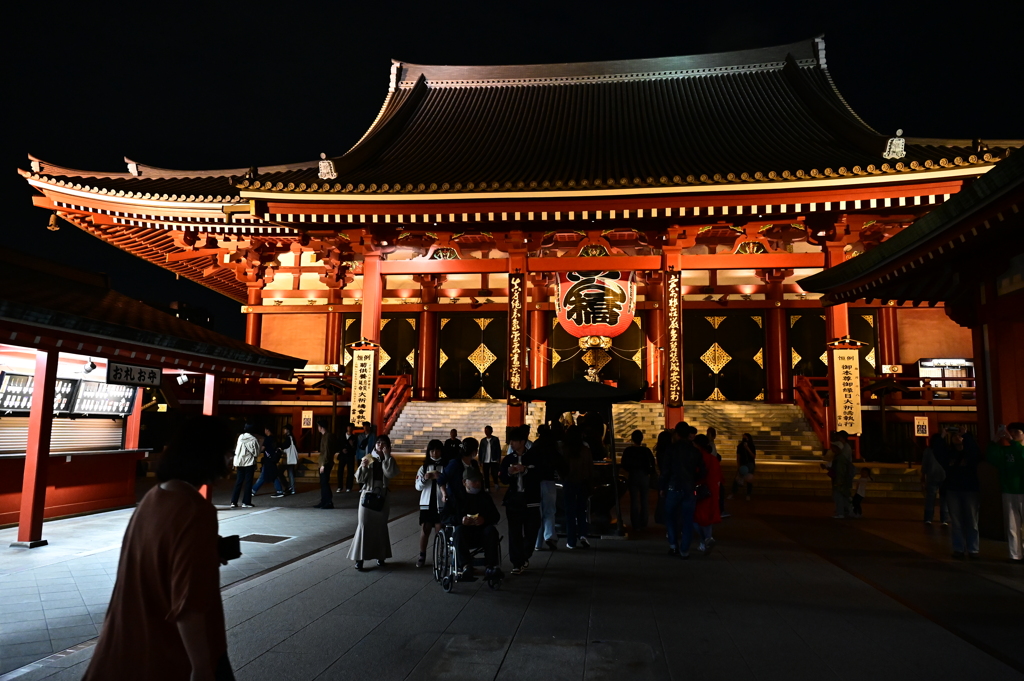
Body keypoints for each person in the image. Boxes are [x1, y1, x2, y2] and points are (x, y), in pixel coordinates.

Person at [82, 416, 235, 681]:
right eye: (227, 452)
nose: (230, 461)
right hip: (168, 656)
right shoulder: (196, 512)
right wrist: (201, 667)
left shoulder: (152, 499)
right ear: (210, 455)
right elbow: (188, 604)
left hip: (121, 651)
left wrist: (210, 551)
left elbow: (158, 559)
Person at [441, 467, 503, 581]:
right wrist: (460, 520)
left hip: (482, 532)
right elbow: (444, 517)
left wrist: (484, 519)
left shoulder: (484, 497)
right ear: (465, 482)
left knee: (491, 531)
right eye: (474, 481)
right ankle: (465, 566)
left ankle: (491, 566)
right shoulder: (455, 497)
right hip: (463, 534)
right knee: (459, 531)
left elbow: (496, 516)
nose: (477, 484)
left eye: (479, 481)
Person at [349, 434, 399, 570]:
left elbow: (390, 474)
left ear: (388, 447)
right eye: (378, 443)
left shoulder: (390, 460)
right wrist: (363, 467)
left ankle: (380, 556)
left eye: (383, 443)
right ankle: (360, 559)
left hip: (382, 495)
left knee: (380, 526)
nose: (380, 445)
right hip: (368, 494)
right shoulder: (368, 458)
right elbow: (359, 479)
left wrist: (387, 457)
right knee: (364, 525)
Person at [500, 426, 544, 573]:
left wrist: (526, 470)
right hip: (514, 499)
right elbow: (503, 480)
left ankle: (525, 554)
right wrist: (508, 472)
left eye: (514, 441)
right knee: (514, 533)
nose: (511, 444)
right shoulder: (508, 459)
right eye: (510, 441)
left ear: (523, 442)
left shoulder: (534, 456)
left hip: (531, 499)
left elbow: (540, 474)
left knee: (532, 530)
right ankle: (516, 563)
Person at [660, 423, 705, 557]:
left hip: (673, 486)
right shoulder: (695, 451)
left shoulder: (671, 449)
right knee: (687, 519)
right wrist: (693, 479)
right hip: (689, 487)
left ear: (677, 434)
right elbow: (703, 471)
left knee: (670, 517)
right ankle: (684, 550)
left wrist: (662, 487)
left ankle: (673, 545)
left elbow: (665, 471)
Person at [986, 422, 1024, 562]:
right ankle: (1015, 554)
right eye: (1011, 431)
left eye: (1017, 432)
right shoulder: (1005, 450)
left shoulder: (1019, 449)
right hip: (1008, 490)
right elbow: (990, 456)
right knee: (1012, 525)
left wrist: (1012, 442)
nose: (1013, 434)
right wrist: (996, 439)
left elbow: (1022, 456)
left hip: (1022, 489)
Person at [945, 428, 980, 559]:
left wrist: (966, 435)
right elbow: (938, 453)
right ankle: (958, 548)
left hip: (970, 489)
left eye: (960, 436)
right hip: (953, 489)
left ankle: (973, 549)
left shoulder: (970, 453)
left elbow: (974, 451)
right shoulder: (949, 454)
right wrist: (941, 436)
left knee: (972, 521)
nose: (957, 437)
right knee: (956, 521)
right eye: (954, 435)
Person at [414, 439, 446, 568]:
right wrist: (424, 478)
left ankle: (439, 555)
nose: (435, 453)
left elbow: (449, 484)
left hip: (440, 502)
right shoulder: (424, 467)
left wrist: (441, 477)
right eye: (432, 450)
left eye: (437, 450)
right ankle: (422, 554)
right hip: (426, 503)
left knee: (440, 530)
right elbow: (417, 487)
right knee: (425, 529)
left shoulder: (446, 466)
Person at [562, 425, 592, 550]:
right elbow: (590, 468)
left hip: (569, 483)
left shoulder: (565, 450)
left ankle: (571, 540)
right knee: (581, 510)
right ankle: (583, 534)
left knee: (570, 512)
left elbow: (562, 467)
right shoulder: (585, 450)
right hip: (583, 482)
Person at [533, 424, 563, 551]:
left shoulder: (536, 445)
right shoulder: (553, 446)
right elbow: (560, 462)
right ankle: (550, 536)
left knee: (537, 512)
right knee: (550, 511)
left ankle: (537, 542)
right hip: (549, 480)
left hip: (536, 481)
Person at [620, 429, 656, 531]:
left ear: (632, 439)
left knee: (634, 500)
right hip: (644, 475)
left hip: (633, 475)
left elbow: (624, 464)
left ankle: (635, 523)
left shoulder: (628, 450)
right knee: (644, 500)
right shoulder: (646, 451)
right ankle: (644, 521)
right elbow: (652, 464)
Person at [693, 434, 721, 554]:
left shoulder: (699, 458)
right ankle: (706, 541)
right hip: (712, 490)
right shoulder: (713, 459)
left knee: (696, 518)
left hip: (700, 491)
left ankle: (706, 540)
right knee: (707, 519)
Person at [437, 437, 481, 503]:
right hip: (456, 499)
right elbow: (441, 479)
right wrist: (444, 494)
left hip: (471, 498)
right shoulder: (455, 463)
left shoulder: (474, 463)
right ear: (474, 451)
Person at [921, 433, 949, 525]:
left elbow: (924, 465)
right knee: (944, 499)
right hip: (944, 476)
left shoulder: (928, 451)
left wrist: (923, 476)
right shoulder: (945, 450)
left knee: (930, 498)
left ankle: (928, 518)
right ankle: (944, 518)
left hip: (932, 476)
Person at [825, 431, 855, 518]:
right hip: (842, 477)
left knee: (840, 495)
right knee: (843, 495)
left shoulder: (842, 455)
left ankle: (842, 511)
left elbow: (841, 469)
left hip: (841, 478)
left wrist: (839, 481)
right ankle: (845, 511)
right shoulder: (841, 454)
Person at [230, 422, 259, 508]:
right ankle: (246, 502)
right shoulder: (254, 439)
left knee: (239, 481)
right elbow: (256, 453)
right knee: (248, 482)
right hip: (249, 463)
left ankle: (233, 502)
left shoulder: (240, 438)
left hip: (240, 462)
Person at [251, 426, 286, 499]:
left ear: (267, 430)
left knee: (264, 475)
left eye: (265, 430)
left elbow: (263, 448)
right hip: (273, 459)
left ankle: (253, 490)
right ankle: (279, 490)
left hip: (268, 460)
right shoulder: (275, 439)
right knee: (272, 475)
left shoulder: (267, 439)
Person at [314, 419, 338, 509]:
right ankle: (324, 501)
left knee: (325, 483)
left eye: (318, 426)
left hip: (326, 462)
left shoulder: (327, 436)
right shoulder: (324, 436)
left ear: (321, 427)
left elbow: (327, 451)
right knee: (323, 483)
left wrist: (323, 464)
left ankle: (328, 502)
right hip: (323, 462)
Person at [730, 433, 756, 500]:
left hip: (750, 464)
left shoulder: (751, 446)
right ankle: (733, 493)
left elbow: (753, 456)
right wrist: (738, 465)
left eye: (746, 438)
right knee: (737, 479)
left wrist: (747, 448)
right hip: (742, 464)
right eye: (743, 438)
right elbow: (738, 456)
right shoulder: (740, 446)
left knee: (749, 480)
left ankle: (748, 494)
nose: (744, 440)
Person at [479, 425, 503, 491]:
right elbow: (480, 450)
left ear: (491, 431)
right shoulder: (483, 441)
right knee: (486, 474)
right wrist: (480, 460)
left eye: (488, 430)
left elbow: (498, 449)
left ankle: (496, 483)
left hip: (493, 459)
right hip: (485, 460)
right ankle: (487, 487)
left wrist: (498, 458)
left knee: (494, 473)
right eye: (485, 430)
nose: (486, 432)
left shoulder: (495, 439)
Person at [336, 422, 358, 493]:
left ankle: (349, 487)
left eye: (351, 427)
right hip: (342, 455)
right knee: (340, 471)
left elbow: (356, 448)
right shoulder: (342, 436)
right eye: (349, 427)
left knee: (350, 471)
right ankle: (340, 486)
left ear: (353, 429)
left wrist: (352, 445)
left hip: (350, 456)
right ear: (347, 428)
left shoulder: (354, 437)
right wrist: (342, 450)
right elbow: (338, 444)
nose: (350, 428)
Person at [281, 424, 300, 495]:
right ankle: (292, 488)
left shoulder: (289, 438)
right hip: (291, 458)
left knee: (284, 472)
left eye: (285, 429)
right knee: (290, 472)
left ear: (288, 430)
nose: (284, 430)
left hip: (289, 458)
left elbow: (285, 446)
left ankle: (290, 487)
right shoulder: (292, 437)